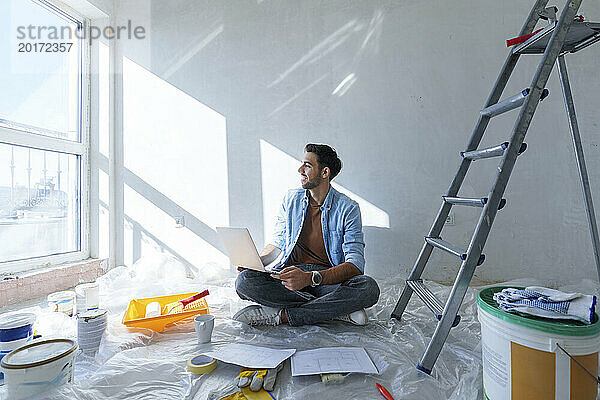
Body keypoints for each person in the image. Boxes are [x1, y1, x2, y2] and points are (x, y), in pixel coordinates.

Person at [233, 143, 380, 327]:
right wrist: (256, 262)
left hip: (326, 279)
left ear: (325, 172)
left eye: (308, 166)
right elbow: (278, 243)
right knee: (245, 281)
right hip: (289, 277)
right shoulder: (291, 199)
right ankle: (334, 311)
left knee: (368, 288)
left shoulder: (348, 208)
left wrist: (310, 277)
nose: (300, 169)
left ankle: (282, 316)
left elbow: (355, 265)